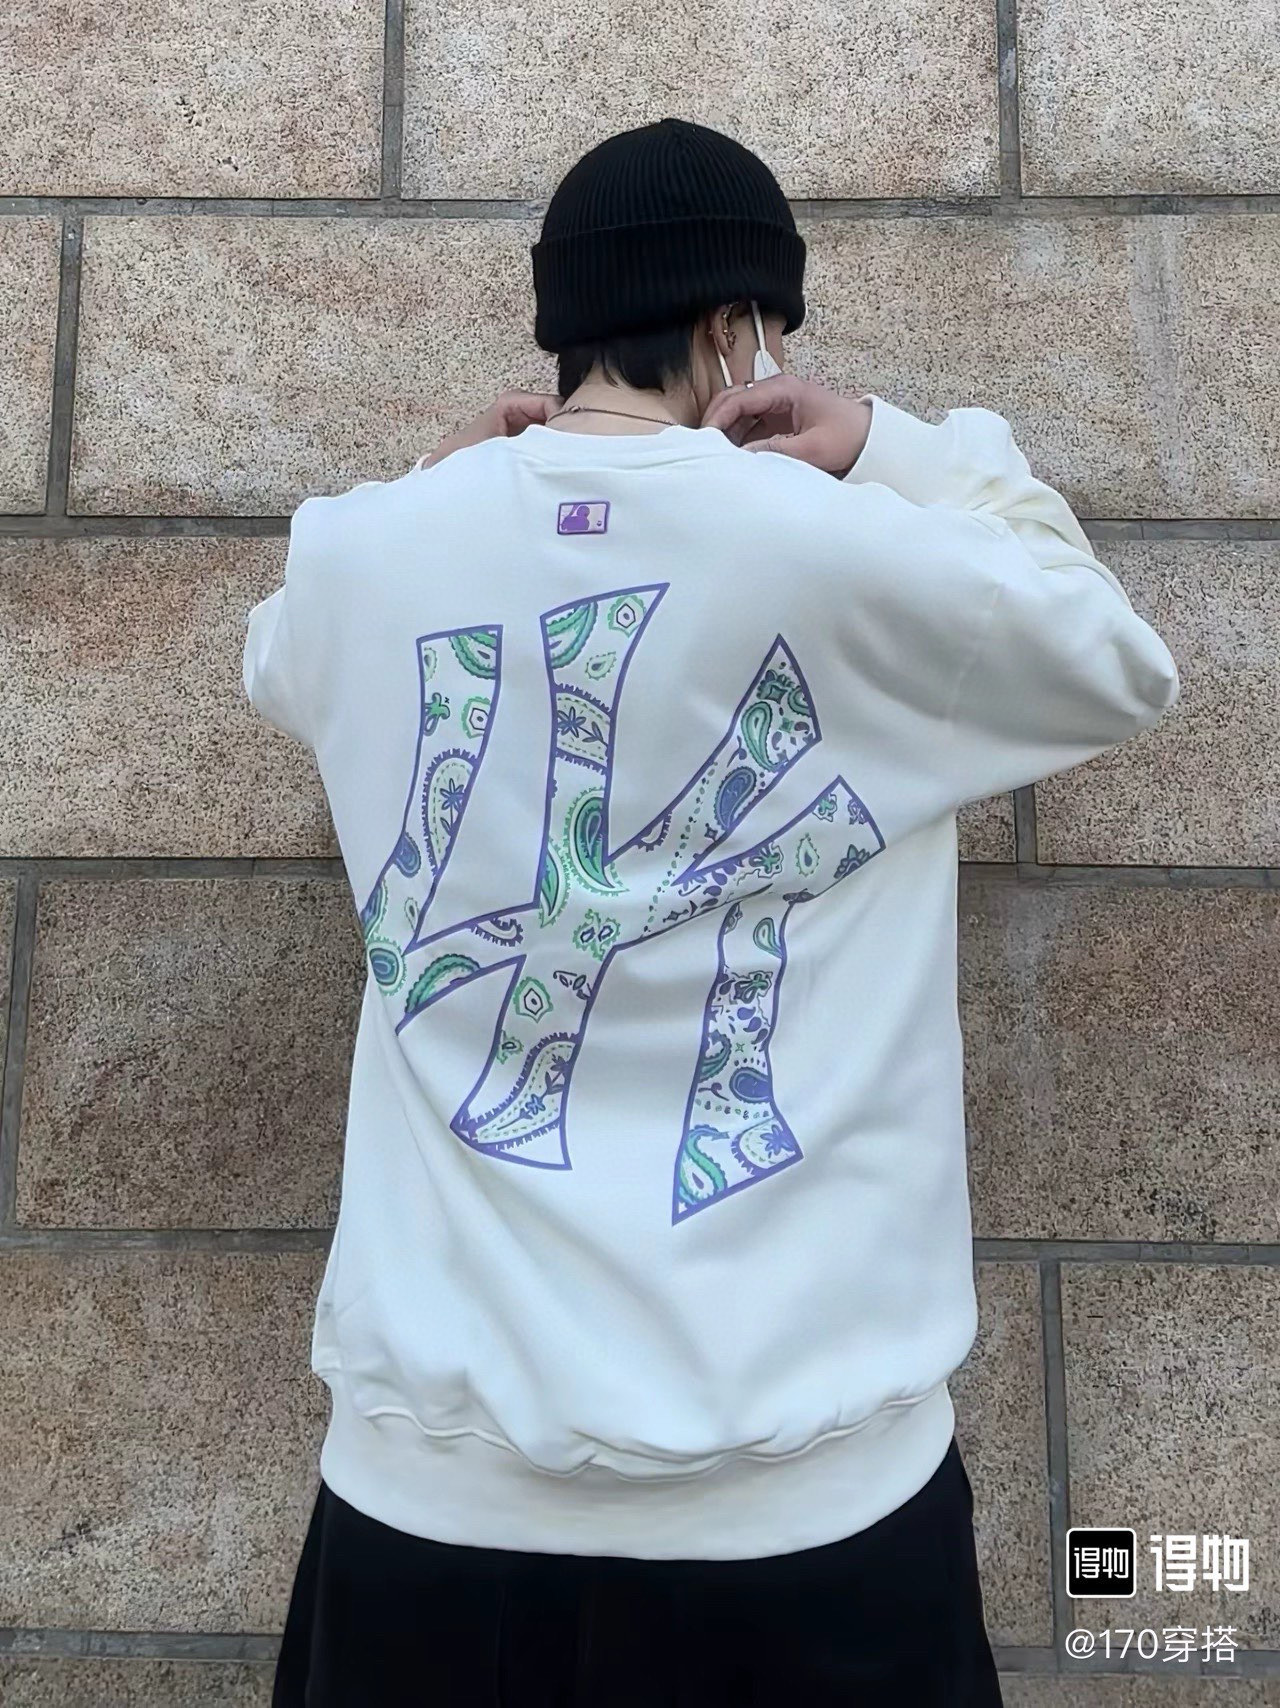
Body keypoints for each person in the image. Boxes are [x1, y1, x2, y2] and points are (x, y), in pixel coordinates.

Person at [247, 117, 1179, 1707]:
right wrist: (899, 446)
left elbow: (284, 652)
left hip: (428, 1514)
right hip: (806, 1514)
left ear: (561, 325)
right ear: (739, 330)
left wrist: (435, 484)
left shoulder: (356, 561)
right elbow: (1115, 659)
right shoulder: (856, 551)